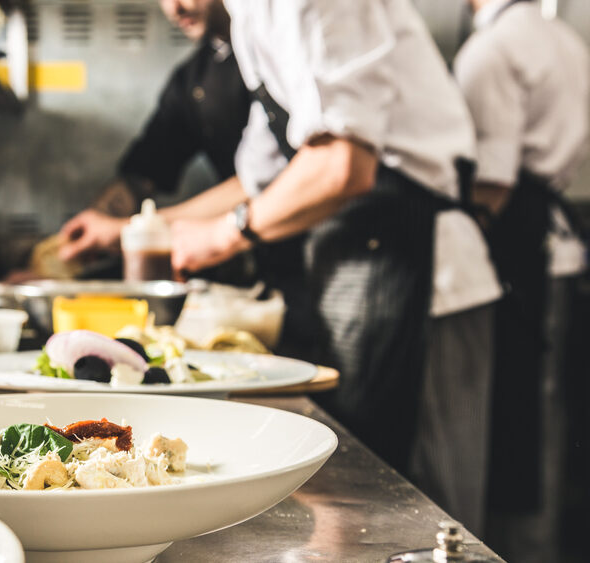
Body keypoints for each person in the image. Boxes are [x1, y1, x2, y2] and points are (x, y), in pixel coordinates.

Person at [64, 0, 503, 531]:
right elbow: (262, 176)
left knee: (433, 510)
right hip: (357, 259)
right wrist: (157, 232)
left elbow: (344, 165)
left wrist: (228, 234)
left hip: (425, 267)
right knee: (384, 492)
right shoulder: (253, 18)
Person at [453, 1, 589, 559]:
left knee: (519, 423)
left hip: (517, 250)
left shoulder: (491, 51)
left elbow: (494, 185)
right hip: (557, 245)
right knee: (546, 419)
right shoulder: (562, 38)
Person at [58, 0, 250, 258]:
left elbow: (265, 180)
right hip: (262, 262)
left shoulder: (277, 54)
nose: (173, 8)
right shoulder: (194, 79)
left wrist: (127, 229)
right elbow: (144, 173)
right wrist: (92, 228)